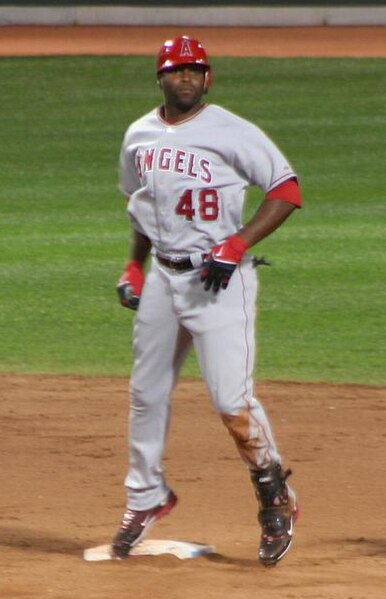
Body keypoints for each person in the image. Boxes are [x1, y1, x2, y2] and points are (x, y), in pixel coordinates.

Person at [112, 35, 302, 567]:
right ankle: (145, 496)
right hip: (164, 280)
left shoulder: (231, 131)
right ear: (160, 78)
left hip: (221, 282)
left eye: (196, 70)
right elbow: (143, 207)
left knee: (231, 403)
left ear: (208, 78)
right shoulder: (139, 136)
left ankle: (276, 496)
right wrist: (133, 263)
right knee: (146, 392)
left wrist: (238, 242)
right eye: (177, 70)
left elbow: (286, 189)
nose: (187, 78)